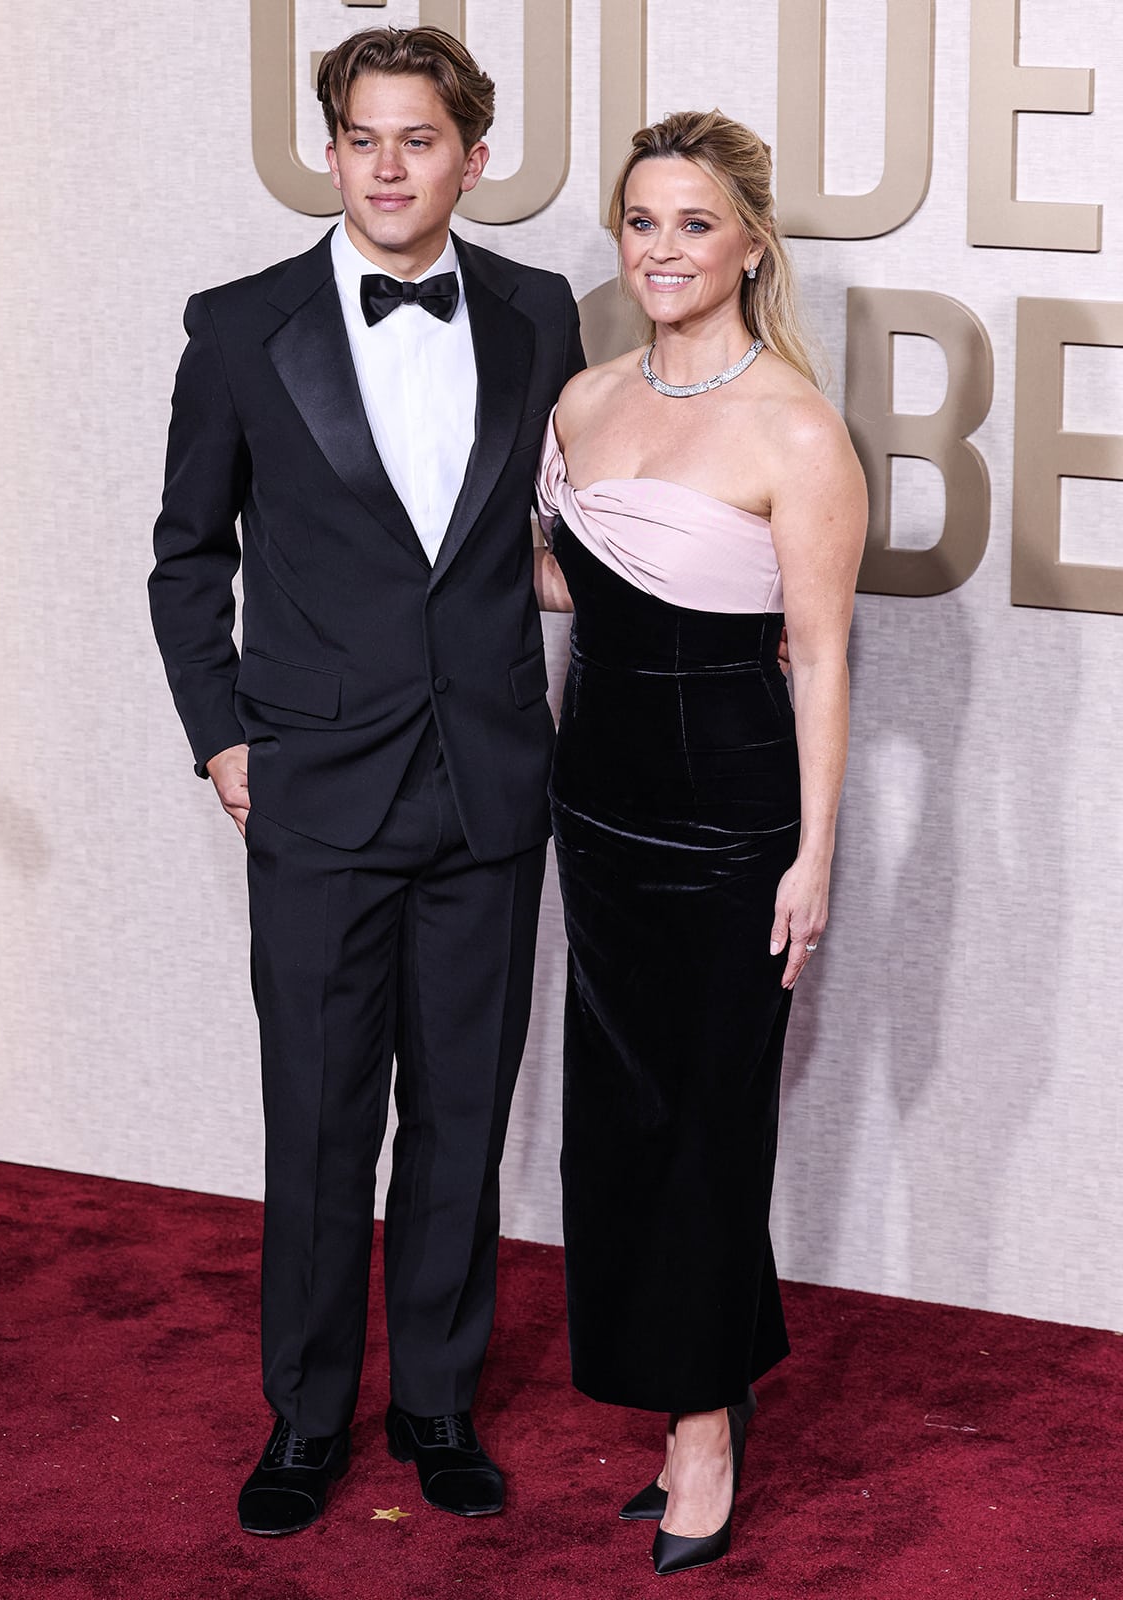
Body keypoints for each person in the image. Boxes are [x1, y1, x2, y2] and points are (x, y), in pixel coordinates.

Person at [149, 26, 583, 1536]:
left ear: (473, 155)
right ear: (330, 151)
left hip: (485, 782)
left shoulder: (537, 315)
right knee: (321, 1119)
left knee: (464, 1113)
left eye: (421, 140)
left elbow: (564, 534)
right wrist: (223, 736)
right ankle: (306, 1420)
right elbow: (187, 557)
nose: (389, 168)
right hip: (317, 789)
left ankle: (438, 1405)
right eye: (363, 139)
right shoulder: (238, 325)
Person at [534, 111, 867, 1575]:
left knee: (712, 1123)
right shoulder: (583, 399)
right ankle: (700, 1374)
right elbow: (585, 585)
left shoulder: (797, 424)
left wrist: (817, 857)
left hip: (735, 825)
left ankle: (703, 1432)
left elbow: (824, 657)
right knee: (615, 1124)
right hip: (593, 812)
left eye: (693, 224)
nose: (663, 249)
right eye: (642, 222)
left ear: (748, 244)